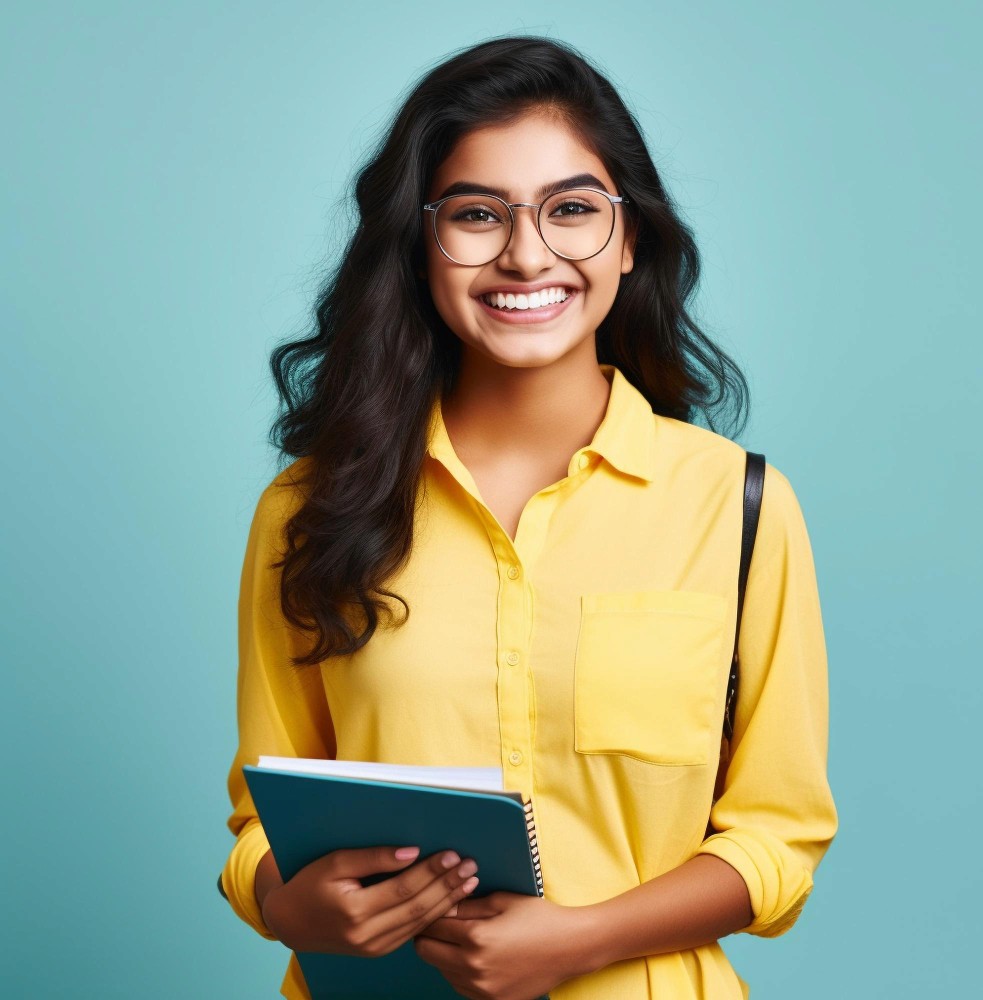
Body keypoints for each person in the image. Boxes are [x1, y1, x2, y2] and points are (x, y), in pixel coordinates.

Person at [220, 35, 838, 1000]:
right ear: (419, 245)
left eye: (573, 211)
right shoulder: (309, 508)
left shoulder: (739, 505)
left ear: (629, 239)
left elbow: (777, 841)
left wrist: (579, 941)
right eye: (476, 214)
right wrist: (283, 903)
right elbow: (262, 821)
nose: (525, 252)